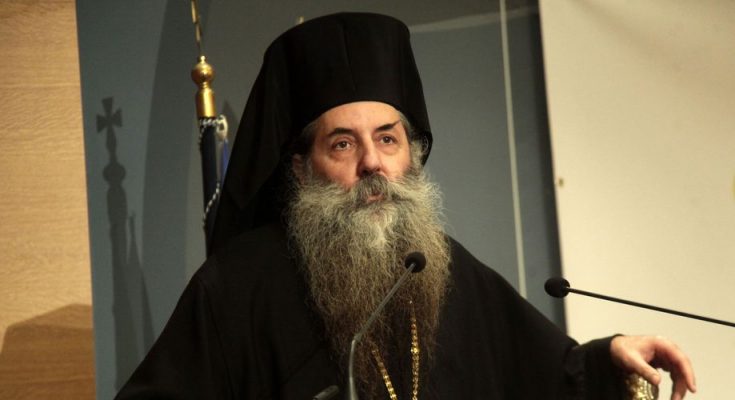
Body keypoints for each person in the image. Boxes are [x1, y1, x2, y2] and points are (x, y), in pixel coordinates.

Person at [116, 12, 695, 400]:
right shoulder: (237, 286)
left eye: (388, 139)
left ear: (411, 155)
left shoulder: (442, 269)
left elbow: (547, 375)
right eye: (343, 144)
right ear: (301, 167)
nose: (372, 163)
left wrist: (610, 360)